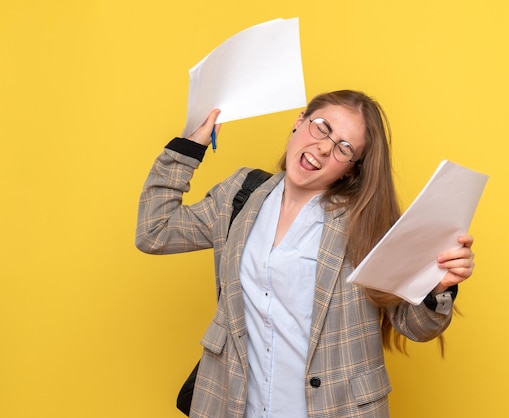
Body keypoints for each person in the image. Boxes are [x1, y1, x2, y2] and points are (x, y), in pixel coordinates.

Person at [136, 90, 475, 418]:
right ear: (300, 121)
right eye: (321, 128)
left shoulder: (369, 223)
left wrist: (438, 286)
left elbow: (415, 327)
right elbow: (155, 231)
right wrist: (188, 148)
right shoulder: (241, 194)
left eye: (344, 148)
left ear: (351, 169)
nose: (324, 148)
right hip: (234, 404)